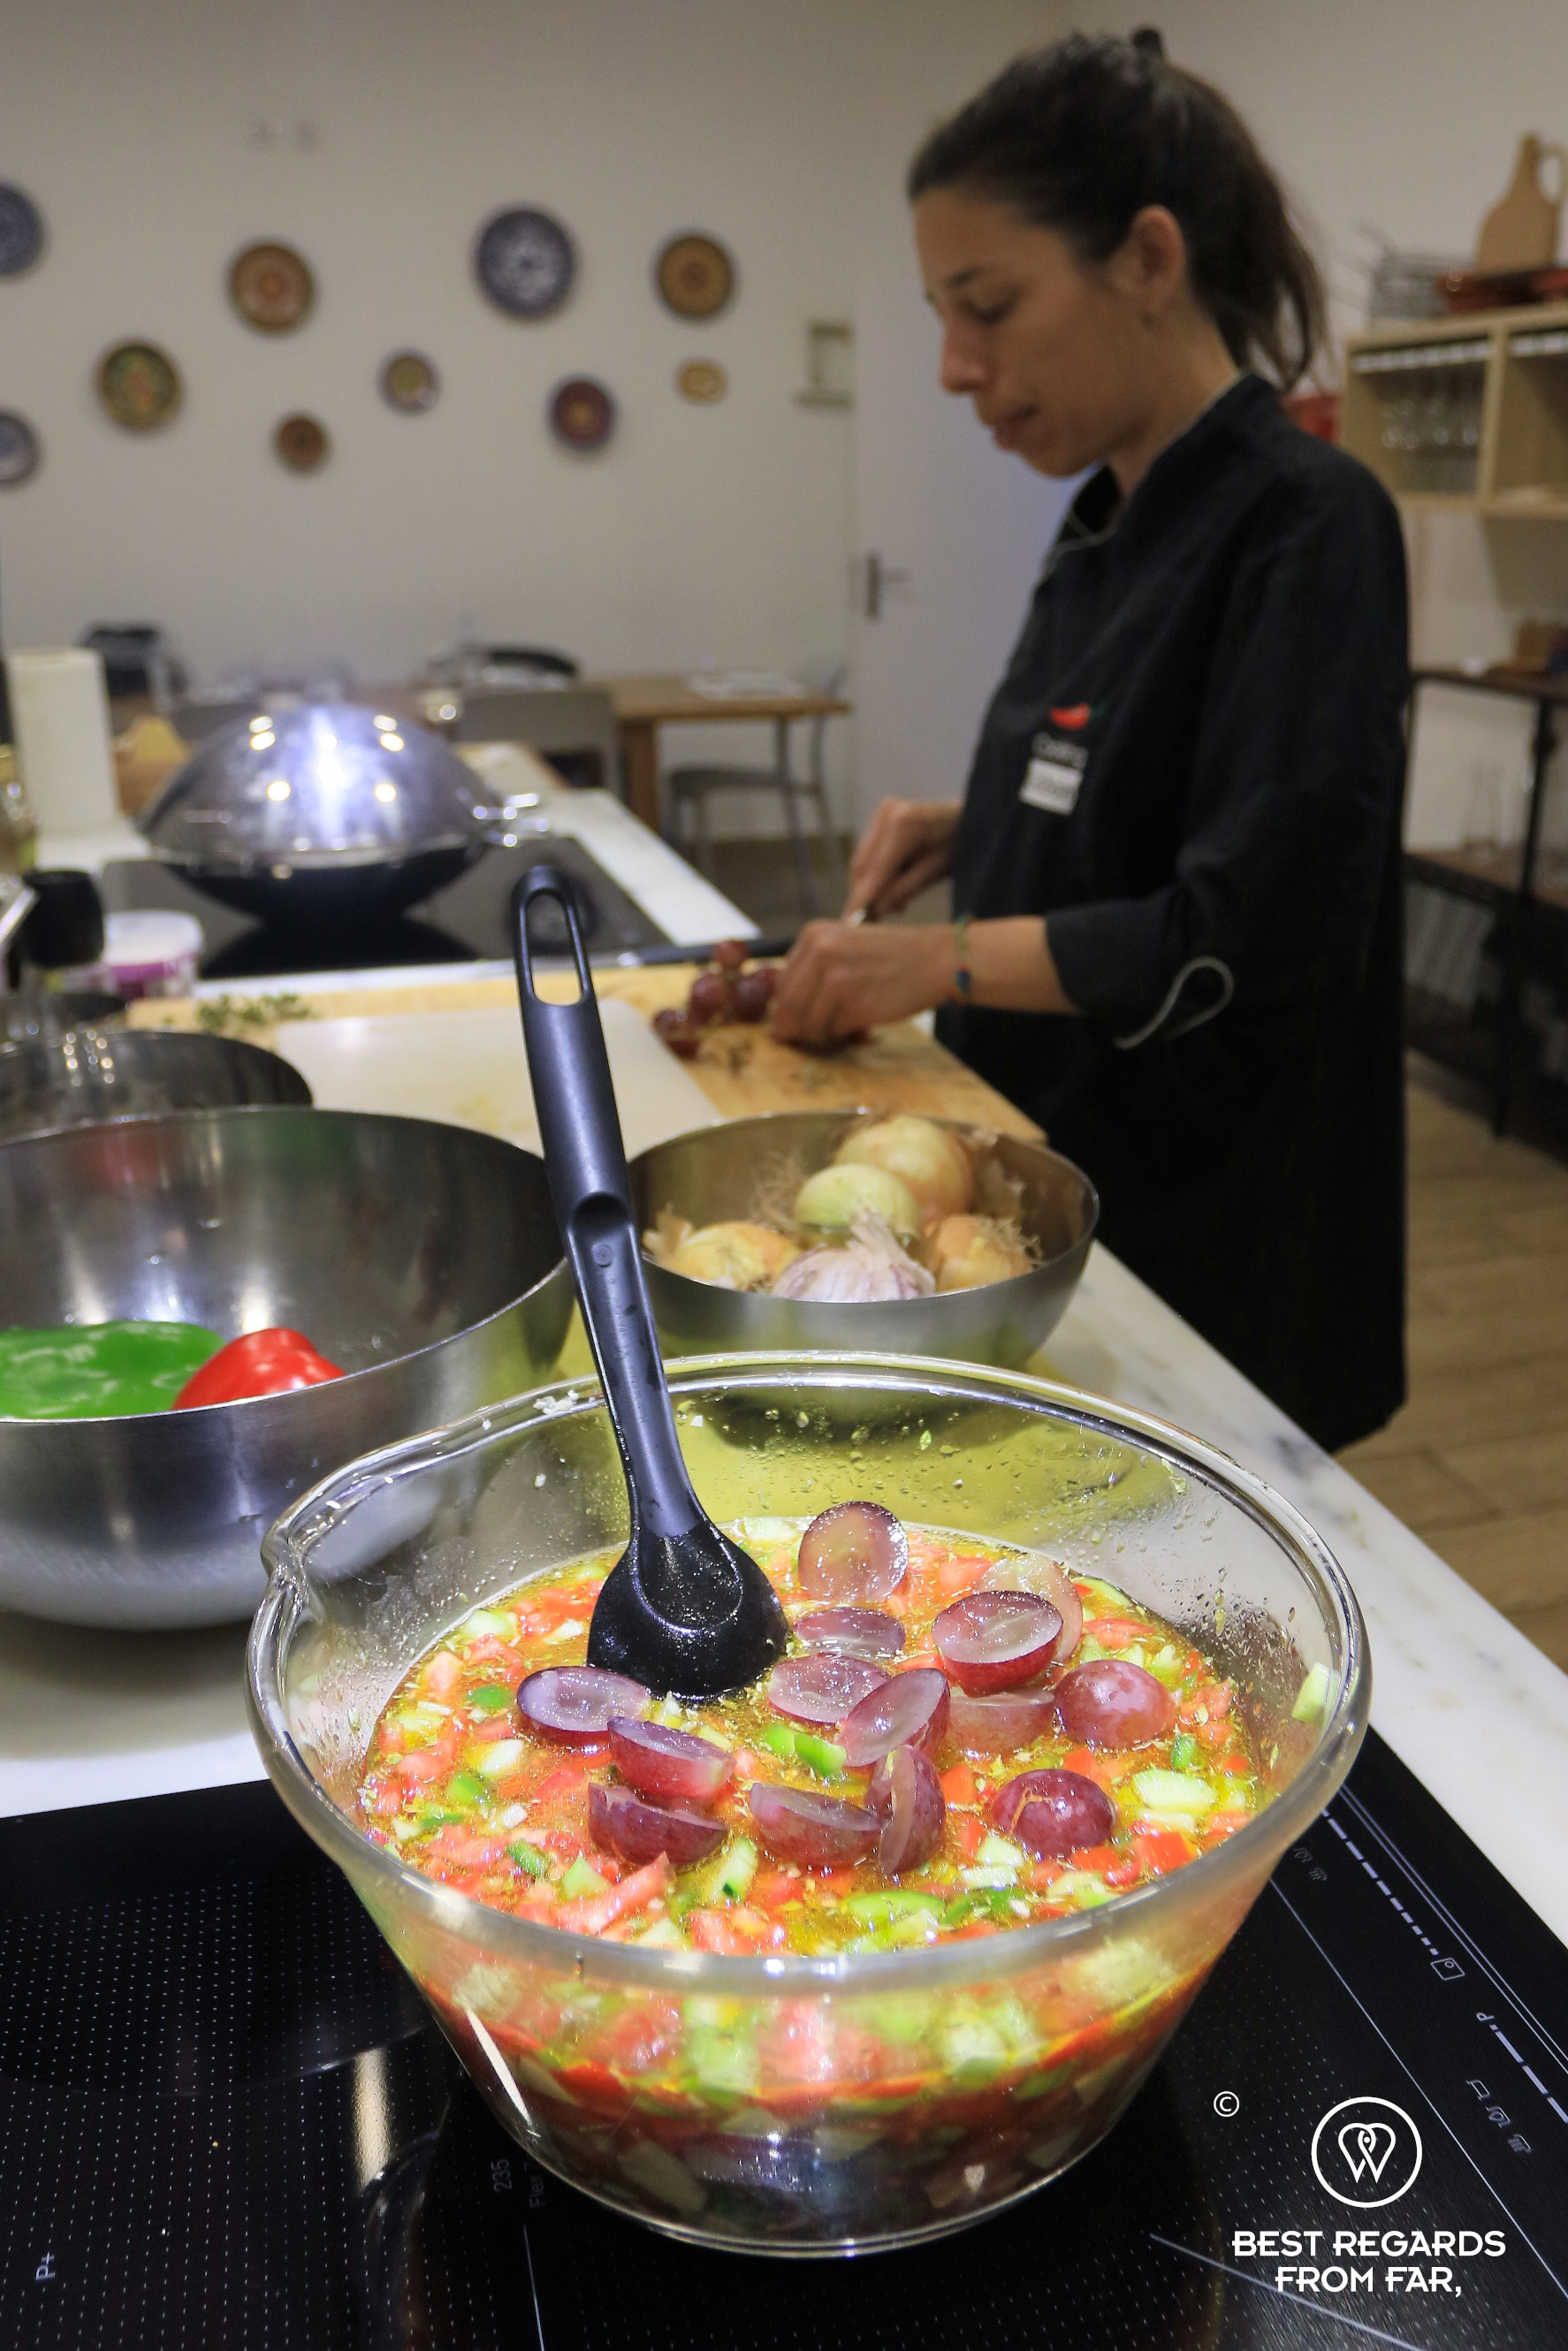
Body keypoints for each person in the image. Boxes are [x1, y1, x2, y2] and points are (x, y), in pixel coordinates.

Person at [771, 29, 1409, 1453]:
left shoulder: (1309, 524)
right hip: (1043, 1195)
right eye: (942, 316)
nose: (955, 367)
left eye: (988, 306)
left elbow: (1247, 932)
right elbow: (1146, 787)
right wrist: (984, 822)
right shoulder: (1100, 527)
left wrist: (928, 957)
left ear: (1147, 259)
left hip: (1205, 1240)